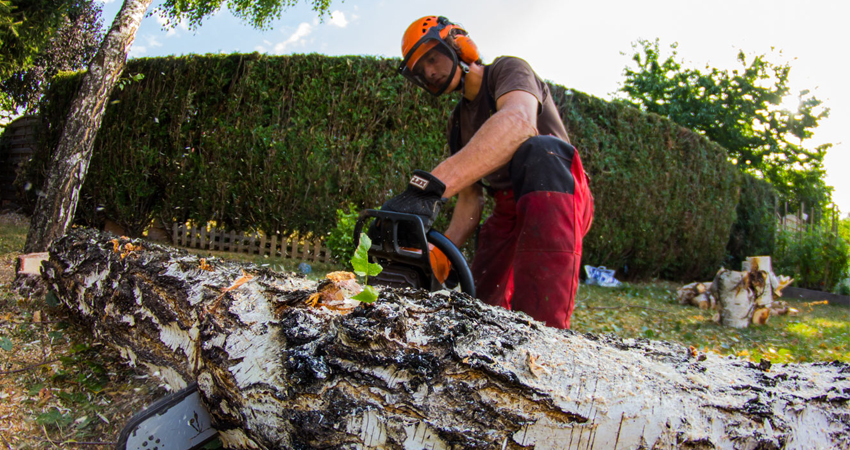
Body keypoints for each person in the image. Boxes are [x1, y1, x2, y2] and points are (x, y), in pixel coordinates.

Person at [382, 16, 593, 329]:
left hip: (557, 189)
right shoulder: (458, 123)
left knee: (538, 150)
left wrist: (429, 188)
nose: (428, 71)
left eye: (431, 57)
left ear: (458, 44)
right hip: (508, 207)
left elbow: (520, 122)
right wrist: (440, 252)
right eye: (419, 70)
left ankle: (546, 340)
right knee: (483, 306)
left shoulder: (507, 70)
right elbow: (470, 201)